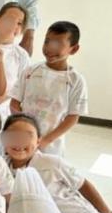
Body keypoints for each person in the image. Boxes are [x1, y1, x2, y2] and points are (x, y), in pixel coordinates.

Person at [10, 21, 87, 156]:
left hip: (51, 147)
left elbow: (73, 117)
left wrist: (45, 140)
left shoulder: (76, 80)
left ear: (73, 49)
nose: (50, 48)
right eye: (47, 42)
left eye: (58, 44)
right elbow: (15, 103)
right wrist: (22, 130)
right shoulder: (30, 72)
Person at [0, 2, 30, 118]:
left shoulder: (21, 55)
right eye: (10, 19)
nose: (14, 25)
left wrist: (5, 97)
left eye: (19, 23)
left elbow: (25, 85)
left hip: (6, 109)